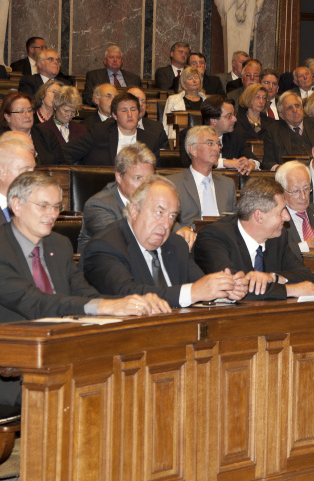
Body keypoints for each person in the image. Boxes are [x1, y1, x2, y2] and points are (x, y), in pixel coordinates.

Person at [0, 171, 170, 408]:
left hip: (62, 354)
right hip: (12, 367)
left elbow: (86, 295)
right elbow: (36, 303)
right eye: (44, 206)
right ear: (16, 205)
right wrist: (106, 306)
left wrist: (132, 303)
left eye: (57, 206)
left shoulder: (58, 245)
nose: (52, 214)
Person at [81, 175, 247, 308]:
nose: (167, 224)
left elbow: (200, 285)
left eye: (172, 216)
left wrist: (225, 289)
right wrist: (194, 292)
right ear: (134, 210)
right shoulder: (105, 247)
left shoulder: (176, 244)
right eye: (159, 213)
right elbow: (128, 294)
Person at [192, 177, 314, 299]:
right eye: (281, 212)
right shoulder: (213, 237)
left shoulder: (278, 237)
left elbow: (306, 277)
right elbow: (235, 288)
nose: (287, 217)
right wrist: (290, 290)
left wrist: (273, 277)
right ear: (259, 216)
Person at [76, 143, 196, 253]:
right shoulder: (98, 205)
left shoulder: (153, 201)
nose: (145, 185)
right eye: (137, 178)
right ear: (119, 176)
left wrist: (183, 232)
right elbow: (124, 241)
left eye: (149, 178)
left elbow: (173, 229)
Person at [64, 92, 164, 166]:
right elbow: (66, 152)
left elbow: (154, 174)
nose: (130, 115)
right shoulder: (99, 133)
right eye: (124, 110)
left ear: (138, 114)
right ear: (114, 115)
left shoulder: (151, 140)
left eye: (133, 110)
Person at [166, 125, 237, 229]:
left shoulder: (228, 184)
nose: (216, 148)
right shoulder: (173, 183)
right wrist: (181, 231)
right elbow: (166, 217)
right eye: (210, 143)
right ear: (193, 149)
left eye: (218, 144)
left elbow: (235, 221)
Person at [274, 160, 314, 259]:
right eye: (296, 191)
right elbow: (275, 254)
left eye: (306, 188)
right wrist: (305, 246)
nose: (303, 197)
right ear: (282, 192)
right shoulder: (275, 219)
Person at [261, 91, 314, 171]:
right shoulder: (273, 131)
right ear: (281, 115)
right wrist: (281, 169)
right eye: (289, 108)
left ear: (302, 108)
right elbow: (267, 162)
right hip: (290, 175)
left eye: (297, 106)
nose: (295, 110)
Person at [0, 92, 64, 165]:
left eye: (29, 110)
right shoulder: (2, 140)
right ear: (7, 117)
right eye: (21, 111)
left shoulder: (47, 134)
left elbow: (62, 165)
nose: (28, 115)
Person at [162, 67, 206, 140]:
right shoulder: (173, 99)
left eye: (196, 77)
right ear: (183, 83)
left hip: (203, 139)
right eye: (190, 78)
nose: (194, 81)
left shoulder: (206, 101)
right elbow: (166, 125)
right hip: (179, 140)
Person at [0, 138, 35, 224]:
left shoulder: (36, 205)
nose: (33, 177)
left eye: (33, 170)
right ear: (2, 172)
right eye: (25, 170)